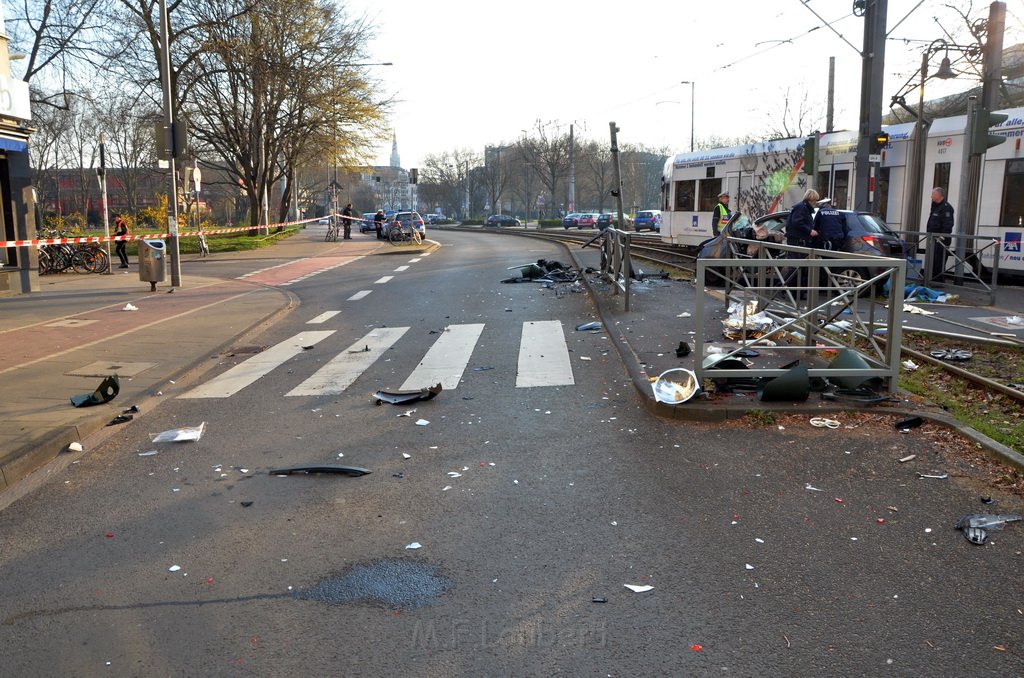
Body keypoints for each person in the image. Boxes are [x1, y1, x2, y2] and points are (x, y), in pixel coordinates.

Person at [925, 187, 954, 281]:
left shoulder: (946, 208)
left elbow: (948, 223)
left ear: (939, 195)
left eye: (933, 194)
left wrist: (942, 237)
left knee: (938, 261)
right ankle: (931, 280)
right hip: (933, 239)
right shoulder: (935, 206)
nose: (931, 196)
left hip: (940, 240)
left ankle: (938, 281)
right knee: (932, 260)